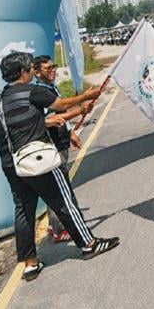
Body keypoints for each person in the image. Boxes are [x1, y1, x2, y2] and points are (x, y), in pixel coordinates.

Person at [0, 52, 118, 281]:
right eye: (30, 68)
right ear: (23, 72)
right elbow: (61, 104)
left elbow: (27, 123)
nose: (31, 71)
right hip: (39, 160)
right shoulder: (33, 91)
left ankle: (30, 264)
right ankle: (88, 244)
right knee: (64, 201)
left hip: (12, 164)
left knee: (23, 211)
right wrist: (87, 96)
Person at [31, 55, 96, 243]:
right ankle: (60, 229)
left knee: (59, 188)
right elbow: (50, 119)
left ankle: (55, 226)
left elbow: (60, 114)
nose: (52, 71)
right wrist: (81, 108)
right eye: (47, 68)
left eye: (54, 67)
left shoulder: (51, 87)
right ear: (36, 72)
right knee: (59, 190)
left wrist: (70, 134)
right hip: (51, 147)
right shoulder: (40, 92)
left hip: (61, 142)